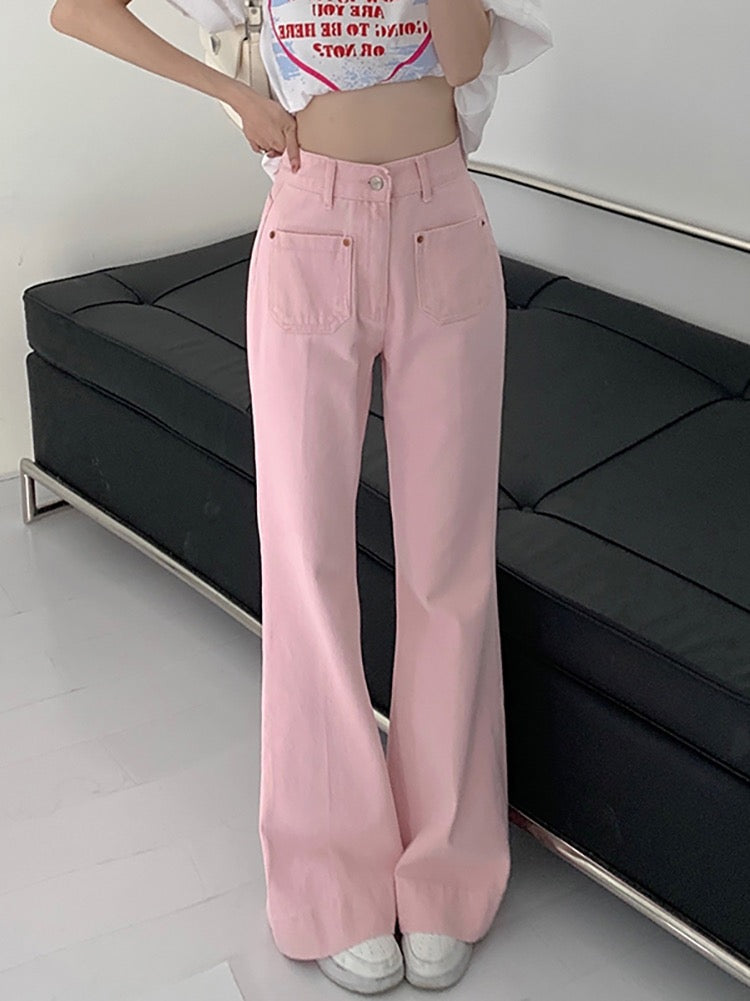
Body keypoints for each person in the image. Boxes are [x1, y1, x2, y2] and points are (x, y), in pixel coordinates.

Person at [49, 0, 553, 992]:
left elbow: (459, 58)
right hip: (313, 216)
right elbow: (79, 11)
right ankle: (331, 880)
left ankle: (446, 869)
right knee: (306, 562)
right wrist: (235, 95)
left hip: (442, 218)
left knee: (448, 565)